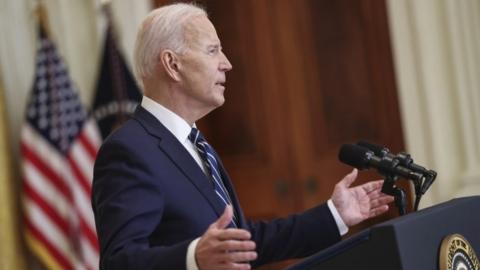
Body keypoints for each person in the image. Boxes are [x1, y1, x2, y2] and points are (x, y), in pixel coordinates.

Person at [91, 3, 394, 270]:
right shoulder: (129, 150)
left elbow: (243, 243)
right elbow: (120, 261)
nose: (227, 63)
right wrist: (193, 258)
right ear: (172, 64)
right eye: (212, 50)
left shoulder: (195, 144)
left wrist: (334, 215)